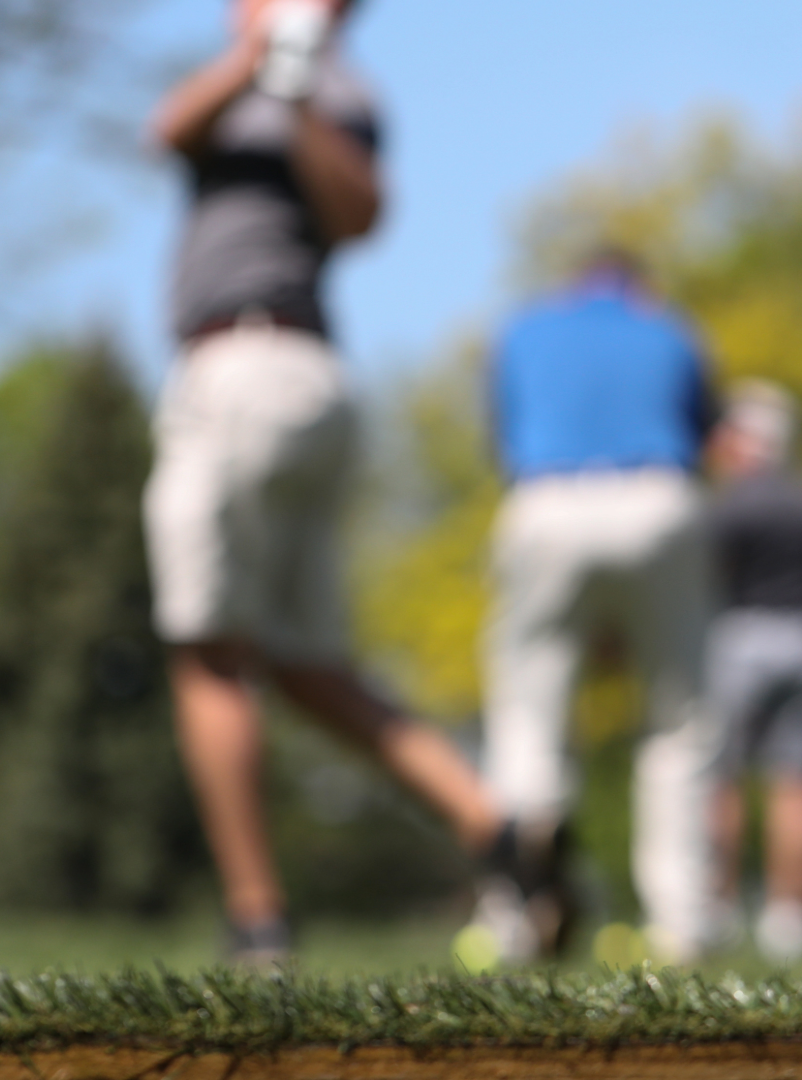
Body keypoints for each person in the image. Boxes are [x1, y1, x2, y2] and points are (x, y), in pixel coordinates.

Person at [144, 0, 504, 963]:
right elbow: (169, 130)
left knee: (207, 649)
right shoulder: (234, 82)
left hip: (246, 373)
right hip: (297, 389)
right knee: (305, 667)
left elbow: (360, 218)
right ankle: (494, 827)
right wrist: (254, 66)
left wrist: (294, 93)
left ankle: (256, 918)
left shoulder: (341, 96)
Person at [477, 245, 719, 963]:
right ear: (635, 284)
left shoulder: (522, 328)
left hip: (545, 503)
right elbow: (703, 430)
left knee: (527, 711)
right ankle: (683, 923)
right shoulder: (671, 326)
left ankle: (518, 907)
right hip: (658, 498)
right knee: (680, 720)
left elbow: (503, 433)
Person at [703, 382, 802, 961]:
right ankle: (791, 916)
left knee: (723, 778)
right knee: (798, 781)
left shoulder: (726, 505)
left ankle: (721, 905)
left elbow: (704, 586)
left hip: (739, 639)